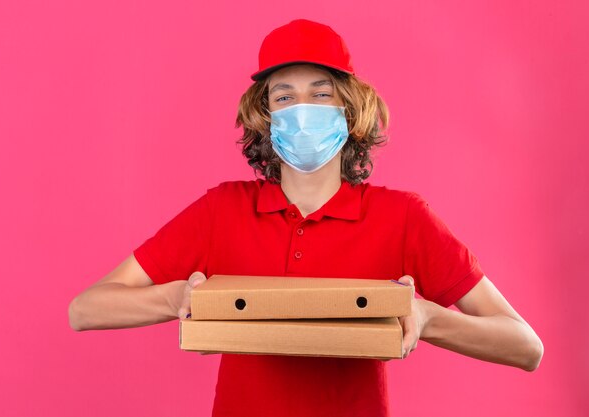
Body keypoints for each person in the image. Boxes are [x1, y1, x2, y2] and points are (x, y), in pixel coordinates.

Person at [68, 19, 543, 417]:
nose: (302, 111)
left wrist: (427, 316)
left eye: (320, 95)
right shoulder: (222, 211)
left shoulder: (402, 217)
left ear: (349, 108)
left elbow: (524, 346)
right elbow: (86, 309)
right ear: (265, 114)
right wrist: (176, 298)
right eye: (284, 97)